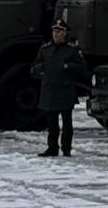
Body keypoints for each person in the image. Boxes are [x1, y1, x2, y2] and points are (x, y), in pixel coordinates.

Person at [31, 19, 88, 157]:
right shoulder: (45, 49)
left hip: (65, 90)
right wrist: (42, 69)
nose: (56, 35)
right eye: (54, 32)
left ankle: (66, 148)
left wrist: (68, 66)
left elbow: (83, 69)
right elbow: (34, 68)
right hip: (49, 90)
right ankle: (52, 148)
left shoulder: (72, 50)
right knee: (51, 123)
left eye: (59, 32)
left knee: (67, 122)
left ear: (64, 33)